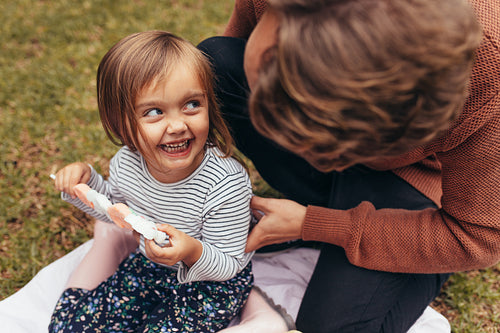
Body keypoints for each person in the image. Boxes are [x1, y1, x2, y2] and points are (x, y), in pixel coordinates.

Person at [197, 0, 500, 332]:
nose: (296, 150)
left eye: (325, 147)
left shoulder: (485, 69)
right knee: (219, 63)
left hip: (412, 182)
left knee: (333, 327)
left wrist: (316, 224)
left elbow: (478, 236)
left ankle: (414, 255)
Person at [50, 30, 255, 332]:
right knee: (73, 326)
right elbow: (118, 211)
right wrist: (84, 184)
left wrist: (191, 251)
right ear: (120, 122)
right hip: (150, 267)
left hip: (210, 283)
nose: (177, 125)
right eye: (154, 112)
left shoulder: (225, 183)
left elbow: (229, 263)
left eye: (192, 105)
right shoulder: (127, 162)